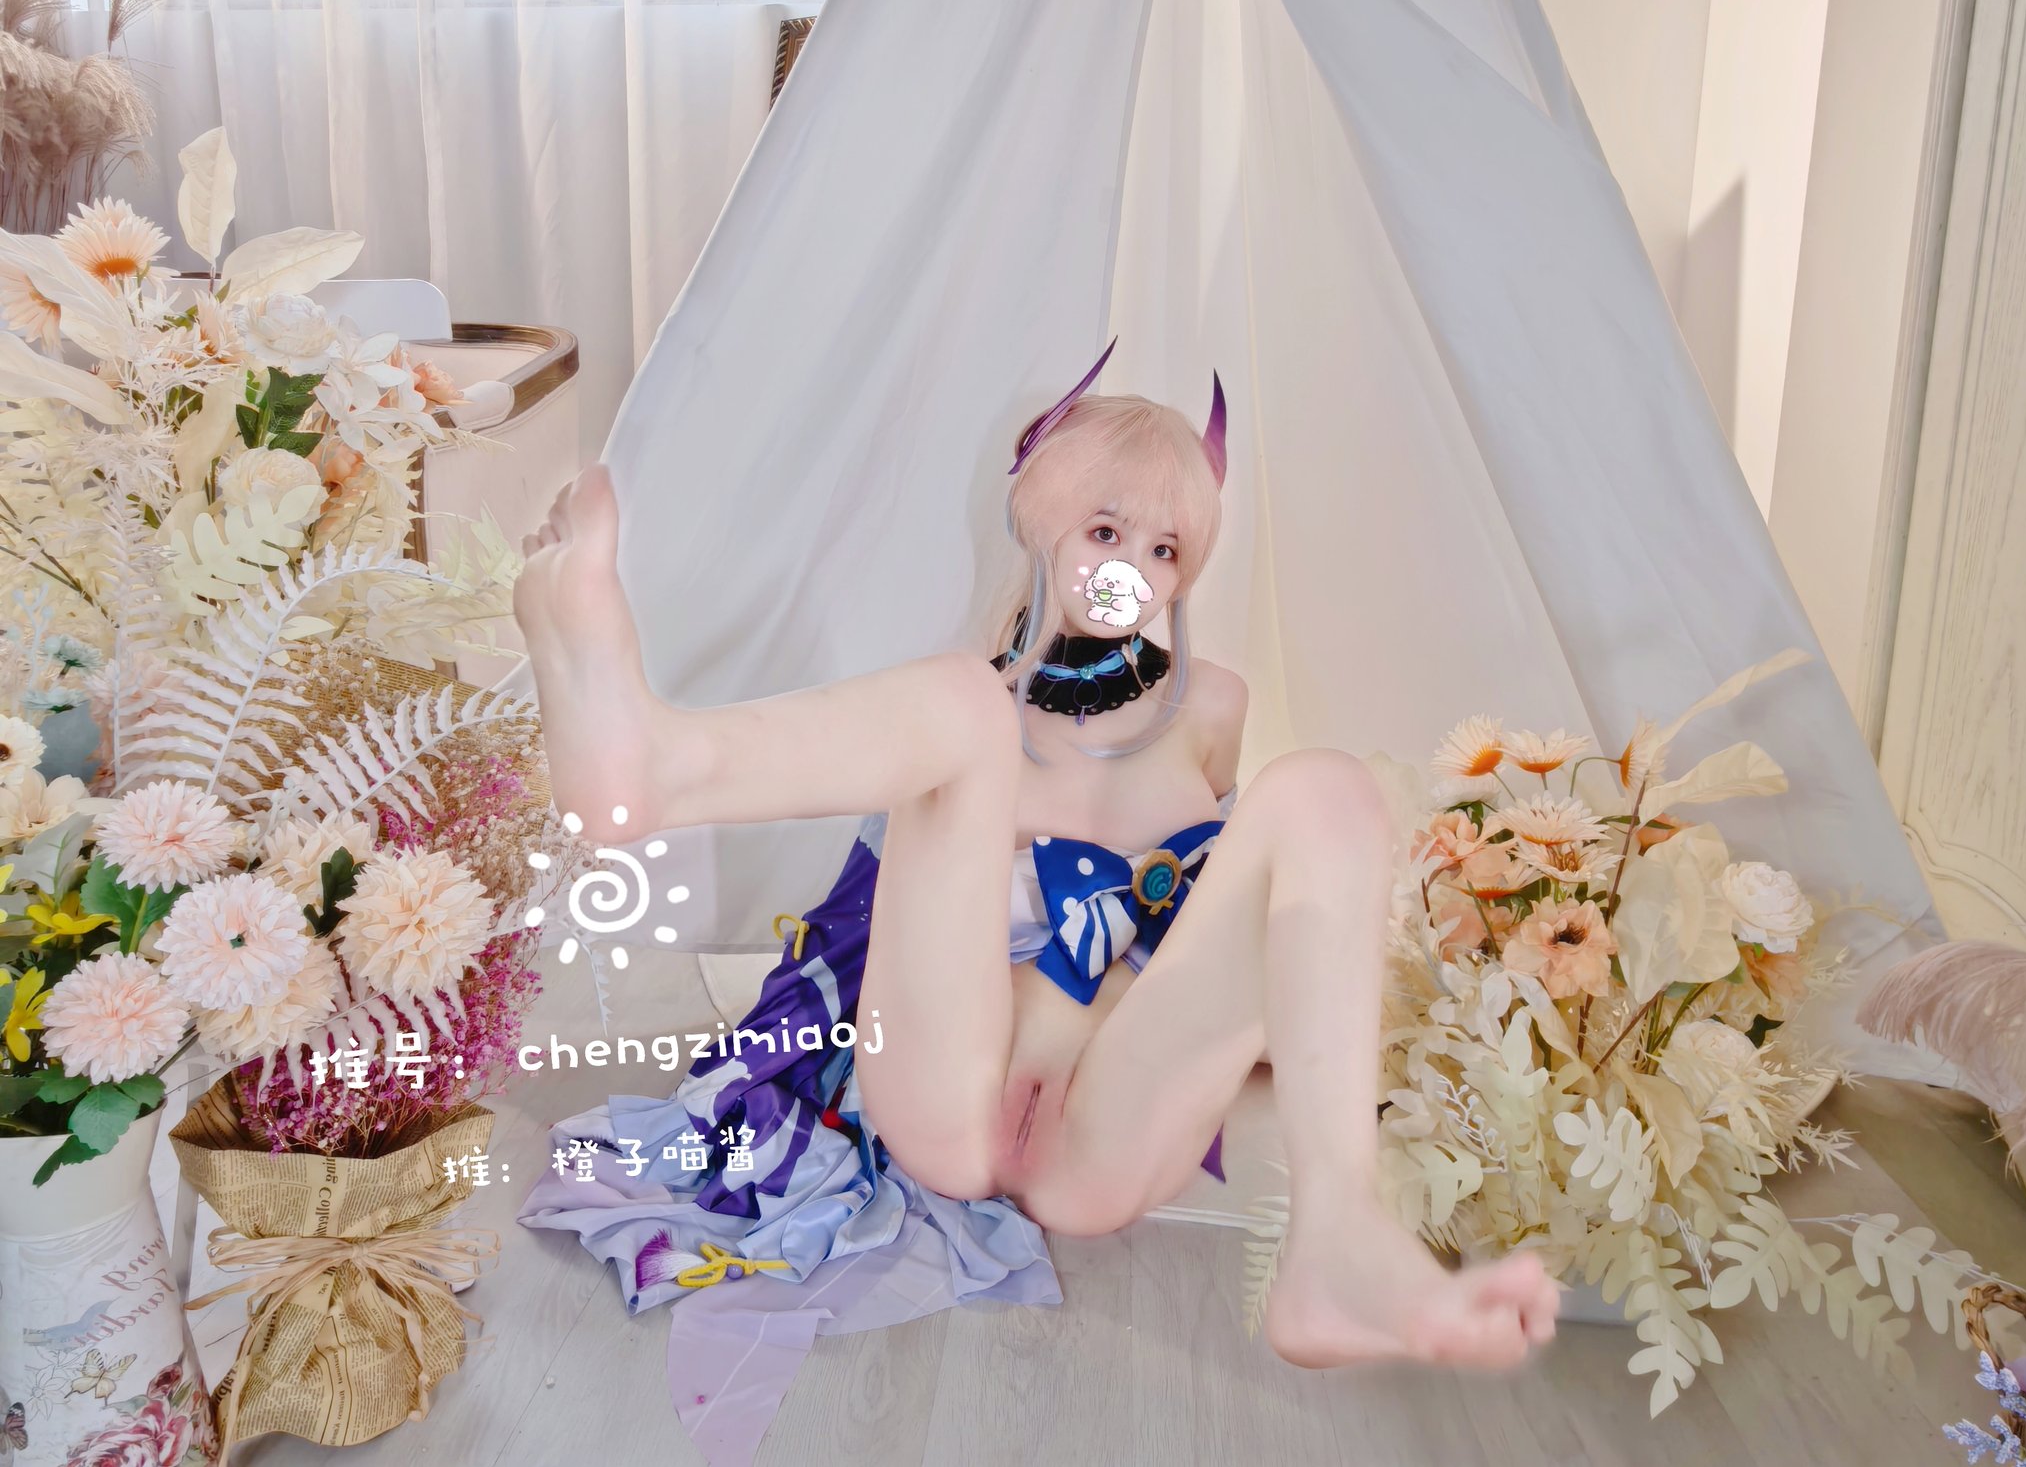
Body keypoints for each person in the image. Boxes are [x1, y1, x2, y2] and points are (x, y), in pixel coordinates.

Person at [513, 343, 1561, 1370]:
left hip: (1106, 1135)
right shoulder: (951, 710)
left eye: (1164, 549)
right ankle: (656, 768)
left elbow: (1225, 936)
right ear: (1036, 521)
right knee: (966, 703)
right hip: (944, 1092)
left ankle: (1334, 1238)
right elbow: (881, 925)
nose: (1131, 570)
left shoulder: (1212, 709)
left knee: (1327, 786)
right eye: (1105, 530)